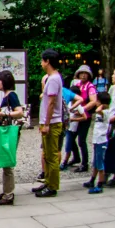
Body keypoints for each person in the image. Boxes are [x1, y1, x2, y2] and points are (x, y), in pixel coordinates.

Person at [32, 49, 64, 198]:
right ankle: (48, 181)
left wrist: (46, 123)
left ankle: (53, 186)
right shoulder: (53, 78)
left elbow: (51, 103)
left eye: (42, 60)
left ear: (48, 61)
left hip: (52, 122)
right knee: (47, 154)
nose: (41, 63)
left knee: (51, 156)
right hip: (50, 122)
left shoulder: (53, 79)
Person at [0, 70, 25, 205]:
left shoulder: (11, 95)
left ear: (4, 82)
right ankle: (6, 190)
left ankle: (9, 194)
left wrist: (4, 115)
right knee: (6, 162)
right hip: (7, 130)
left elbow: (20, 112)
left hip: (10, 131)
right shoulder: (7, 95)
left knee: (8, 163)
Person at [69, 65, 98, 172]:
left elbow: (93, 101)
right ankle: (76, 157)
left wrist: (83, 109)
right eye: (81, 73)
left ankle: (84, 163)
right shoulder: (77, 85)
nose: (83, 75)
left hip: (85, 116)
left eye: (85, 73)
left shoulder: (90, 87)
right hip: (76, 115)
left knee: (81, 140)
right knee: (70, 138)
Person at [83, 91, 112, 193]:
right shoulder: (103, 111)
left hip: (101, 140)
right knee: (96, 162)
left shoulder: (106, 112)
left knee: (100, 163)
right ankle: (92, 180)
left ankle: (100, 184)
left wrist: (101, 105)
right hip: (97, 139)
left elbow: (99, 110)